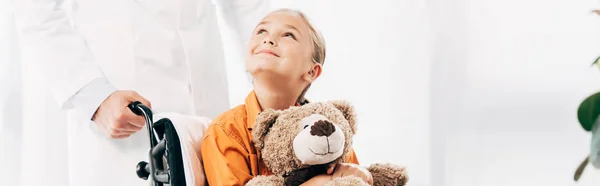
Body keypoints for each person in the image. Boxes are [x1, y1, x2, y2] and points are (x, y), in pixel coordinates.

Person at [11, 0, 269, 185]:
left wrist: (277, 77)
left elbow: (247, 6)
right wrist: (93, 95)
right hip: (121, 108)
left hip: (206, 104)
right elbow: (34, 8)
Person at [201, 9, 373, 186]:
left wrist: (363, 176)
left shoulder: (331, 132)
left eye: (288, 35)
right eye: (261, 31)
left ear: (312, 71)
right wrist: (323, 182)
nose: (268, 39)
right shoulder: (226, 131)